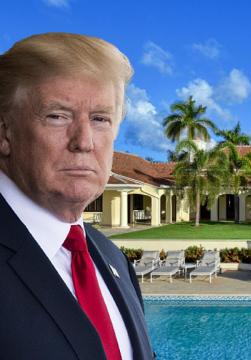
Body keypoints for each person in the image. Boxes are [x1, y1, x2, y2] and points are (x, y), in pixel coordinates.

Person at [0, 33, 154, 359]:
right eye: (58, 116)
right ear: (4, 132)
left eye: (100, 119)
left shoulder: (114, 260)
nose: (84, 141)